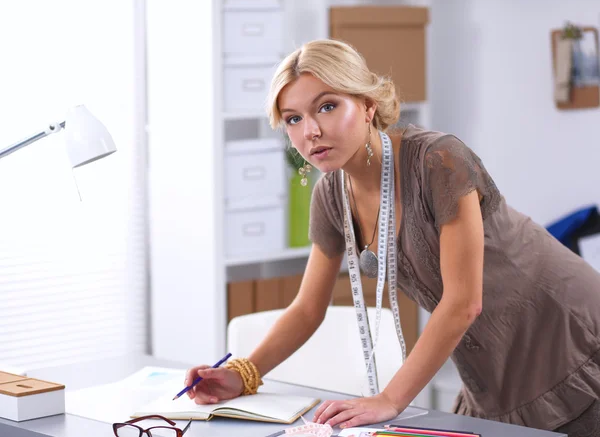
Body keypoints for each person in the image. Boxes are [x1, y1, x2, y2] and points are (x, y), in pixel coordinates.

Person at [183, 39, 600, 435]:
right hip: (494, 364)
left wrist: (388, 400)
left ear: (366, 105)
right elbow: (308, 308)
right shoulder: (331, 196)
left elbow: (462, 302)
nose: (310, 130)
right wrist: (243, 374)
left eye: (326, 106)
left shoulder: (439, 161)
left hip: (570, 335)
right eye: (293, 118)